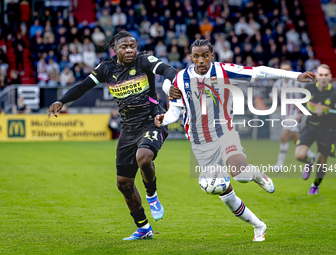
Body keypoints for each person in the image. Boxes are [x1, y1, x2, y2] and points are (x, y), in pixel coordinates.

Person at [158, 39, 316, 241]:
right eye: (196, 56)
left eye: (204, 55)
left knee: (240, 175)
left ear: (212, 55)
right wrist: (163, 119)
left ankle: (257, 175)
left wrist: (296, 76)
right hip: (200, 143)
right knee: (223, 191)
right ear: (191, 56)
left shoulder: (224, 71)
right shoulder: (181, 79)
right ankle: (258, 225)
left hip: (225, 133)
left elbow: (260, 72)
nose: (200, 60)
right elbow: (175, 112)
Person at [48, 31, 179, 240]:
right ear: (115, 49)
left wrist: (174, 83)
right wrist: (62, 100)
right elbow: (83, 86)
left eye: (132, 46)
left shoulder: (144, 60)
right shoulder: (106, 68)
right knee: (123, 183)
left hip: (153, 120)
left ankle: (152, 195)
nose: (129, 50)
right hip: (128, 129)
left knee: (144, 157)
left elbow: (167, 69)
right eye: (124, 47)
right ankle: (143, 228)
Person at [295, 64, 336, 195]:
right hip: (310, 127)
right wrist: (299, 113)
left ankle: (315, 185)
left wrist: (323, 114)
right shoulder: (309, 88)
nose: (323, 78)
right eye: (321, 75)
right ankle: (310, 161)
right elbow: (303, 102)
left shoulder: (335, 94)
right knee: (299, 155)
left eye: (326, 75)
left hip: (327, 131)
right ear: (316, 76)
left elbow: (335, 113)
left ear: (330, 77)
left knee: (322, 163)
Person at [270, 61, 316, 169]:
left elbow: (308, 96)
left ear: (290, 70)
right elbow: (272, 97)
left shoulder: (297, 82)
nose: (285, 71)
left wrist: (301, 111)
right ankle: (311, 155)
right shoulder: (278, 83)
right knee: (296, 139)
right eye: (283, 70)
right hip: (285, 114)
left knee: (283, 136)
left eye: (287, 69)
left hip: (295, 113)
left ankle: (279, 165)